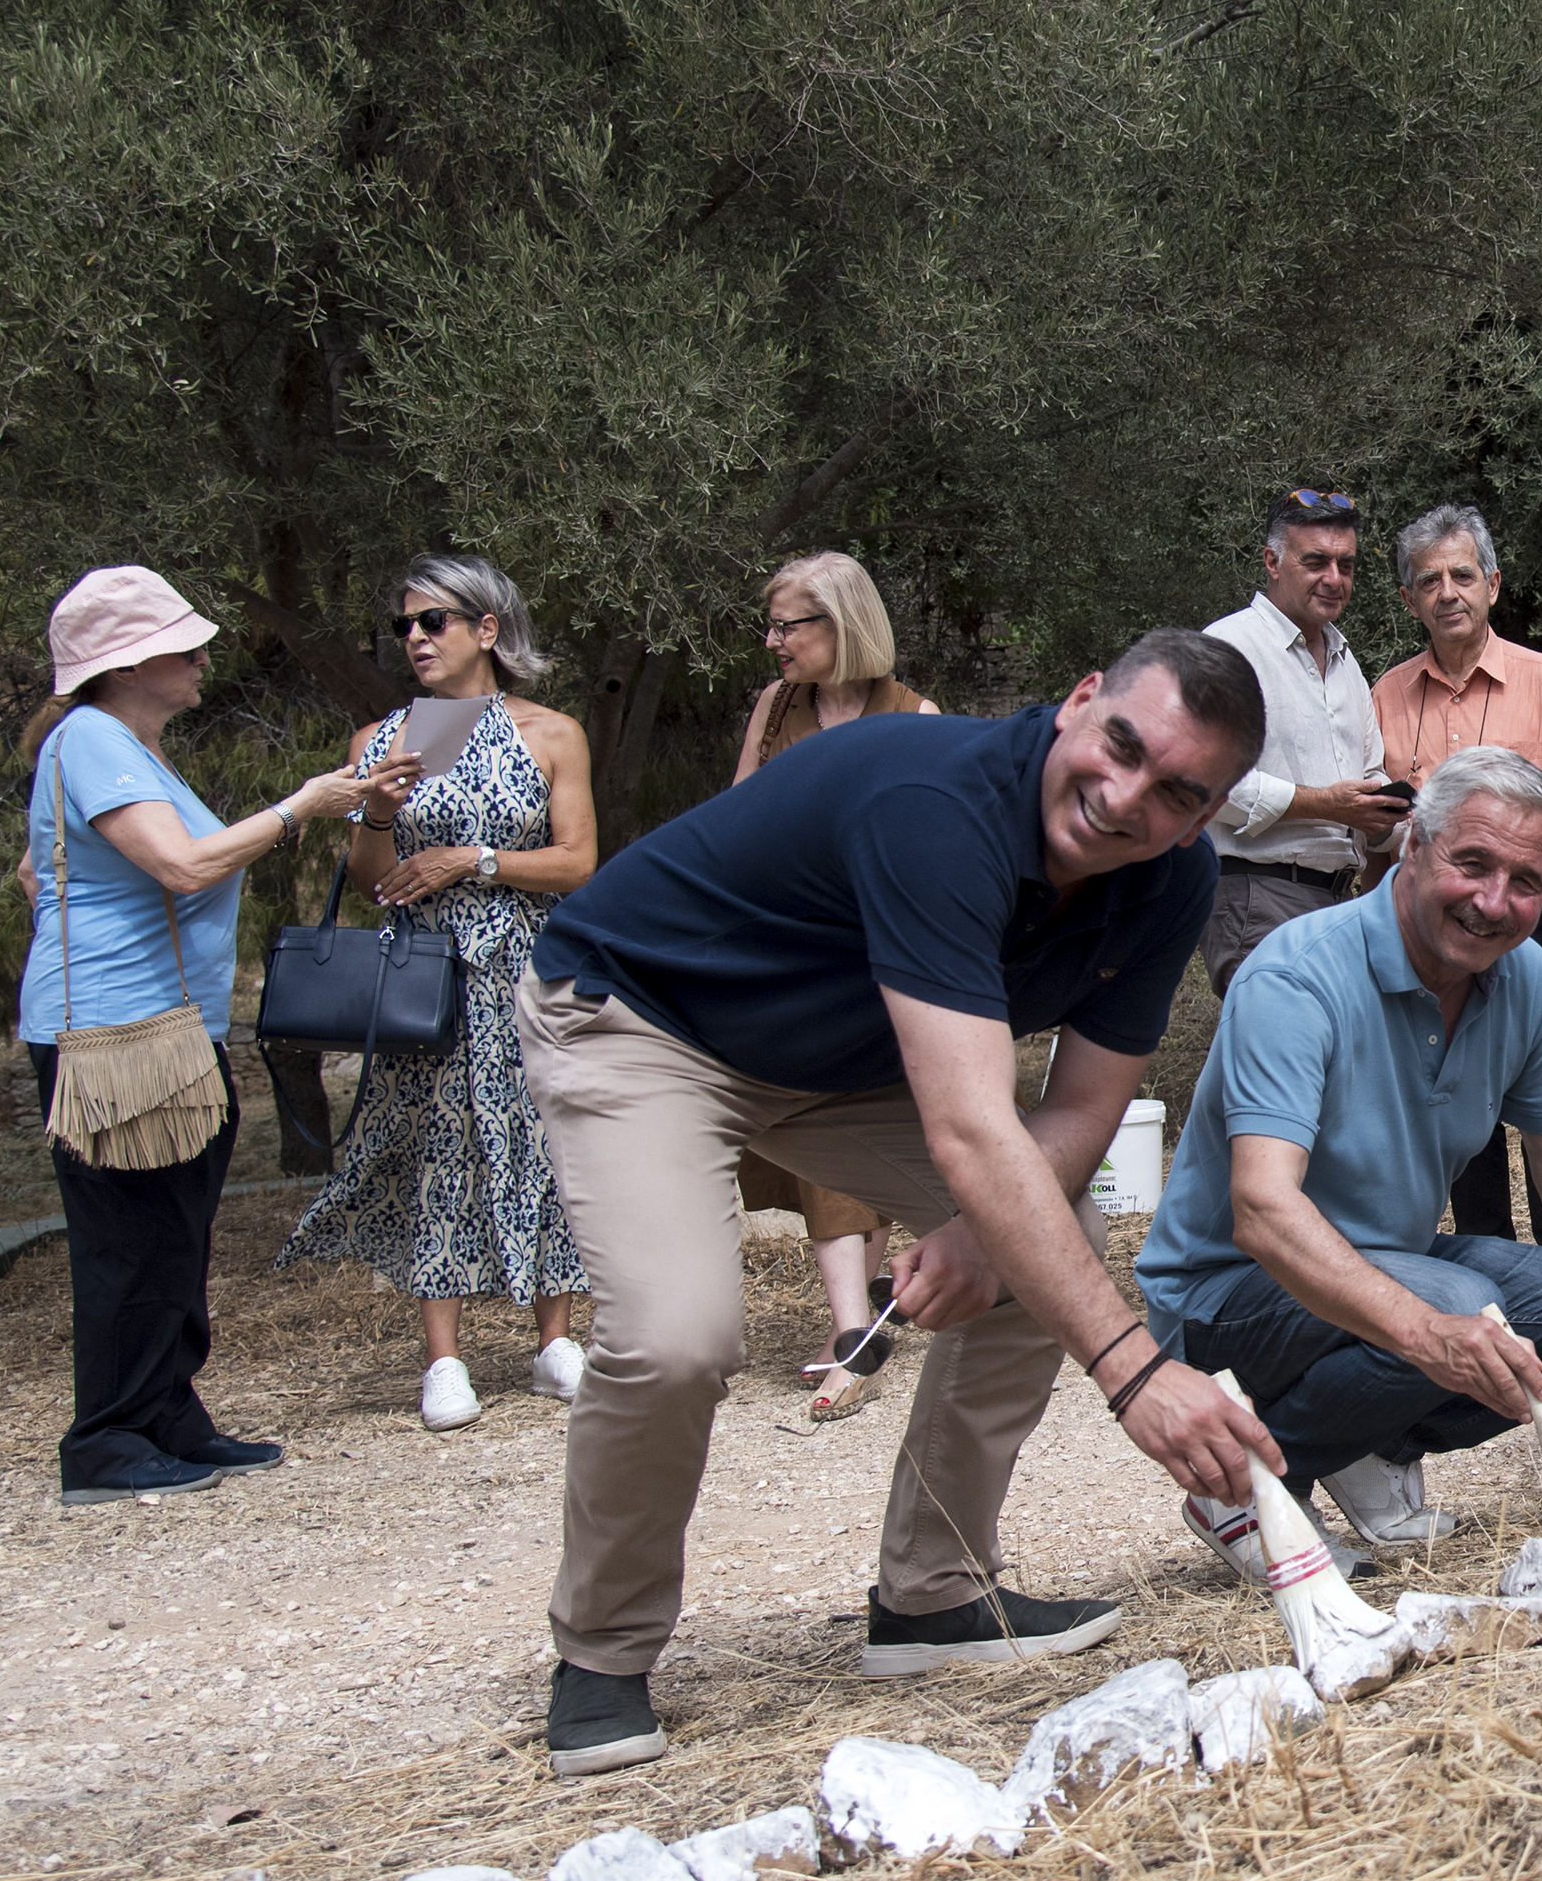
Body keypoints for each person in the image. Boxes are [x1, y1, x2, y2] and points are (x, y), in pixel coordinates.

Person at [513, 629, 1281, 1777]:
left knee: (1042, 1240)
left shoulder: (1170, 880)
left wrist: (985, 1229)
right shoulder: (935, 800)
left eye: (1177, 792)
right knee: (679, 1333)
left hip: (842, 1058)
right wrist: (1134, 1371)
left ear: (1209, 811)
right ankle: (604, 1654)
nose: (1125, 799)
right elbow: (976, 1130)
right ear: (1080, 701)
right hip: (644, 1017)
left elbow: (1080, 1108)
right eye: (1120, 745)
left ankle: (930, 1594)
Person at [1137, 745, 1542, 1565]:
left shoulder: (1525, 980)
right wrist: (1429, 1333)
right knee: (1460, 1305)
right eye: (1472, 863)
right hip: (1222, 1299)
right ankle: (1245, 1485)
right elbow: (1262, 1209)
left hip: (1396, 1260)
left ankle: (1369, 1440)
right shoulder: (1294, 976)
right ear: (1414, 846)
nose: (1494, 902)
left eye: (1527, 883)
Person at [20, 567, 411, 1503]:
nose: (204, 658)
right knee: (128, 1237)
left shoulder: (121, 746)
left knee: (175, 1231)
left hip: (162, 1028)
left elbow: (40, 876)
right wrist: (302, 806)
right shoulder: (93, 741)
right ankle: (107, 1443)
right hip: (114, 1038)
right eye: (183, 646)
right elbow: (185, 866)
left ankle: (165, 1414)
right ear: (127, 665)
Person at [277, 557, 600, 1432]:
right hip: (425, 970)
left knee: (545, 1135)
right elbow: (370, 880)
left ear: (487, 630)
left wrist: (477, 860)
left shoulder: (550, 732)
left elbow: (577, 862)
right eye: (405, 627)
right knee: (434, 1145)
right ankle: (444, 1358)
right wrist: (378, 812)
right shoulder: (382, 739)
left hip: (527, 965)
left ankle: (554, 1340)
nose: (415, 639)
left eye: (434, 623)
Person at [1366, 505, 1542, 1250]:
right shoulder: (1384, 696)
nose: (1447, 591)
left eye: (1461, 575)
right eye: (1429, 580)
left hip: (1533, 920)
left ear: (1492, 584)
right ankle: (1484, 1254)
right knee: (1455, 1096)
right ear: (1407, 600)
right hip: (1429, 931)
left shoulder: (1541, 680)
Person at [725, 549, 944, 1400]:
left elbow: (932, 842)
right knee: (810, 1111)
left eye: (789, 625)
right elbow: (737, 818)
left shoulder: (915, 714)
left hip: (875, 952)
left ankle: (856, 1321)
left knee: (864, 1118)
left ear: (841, 625)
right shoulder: (774, 708)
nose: (774, 642)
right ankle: (852, 1322)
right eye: (771, 625)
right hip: (789, 951)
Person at [1200, 490, 1403, 993]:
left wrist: (1386, 816)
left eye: (1346, 565)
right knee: (1277, 1057)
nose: (1334, 579)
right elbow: (1202, 781)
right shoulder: (1229, 647)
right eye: (1316, 561)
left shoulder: (1346, 663)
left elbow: (1368, 774)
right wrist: (1327, 805)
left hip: (1339, 900)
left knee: (1325, 1064)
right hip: (1257, 894)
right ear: (1272, 561)